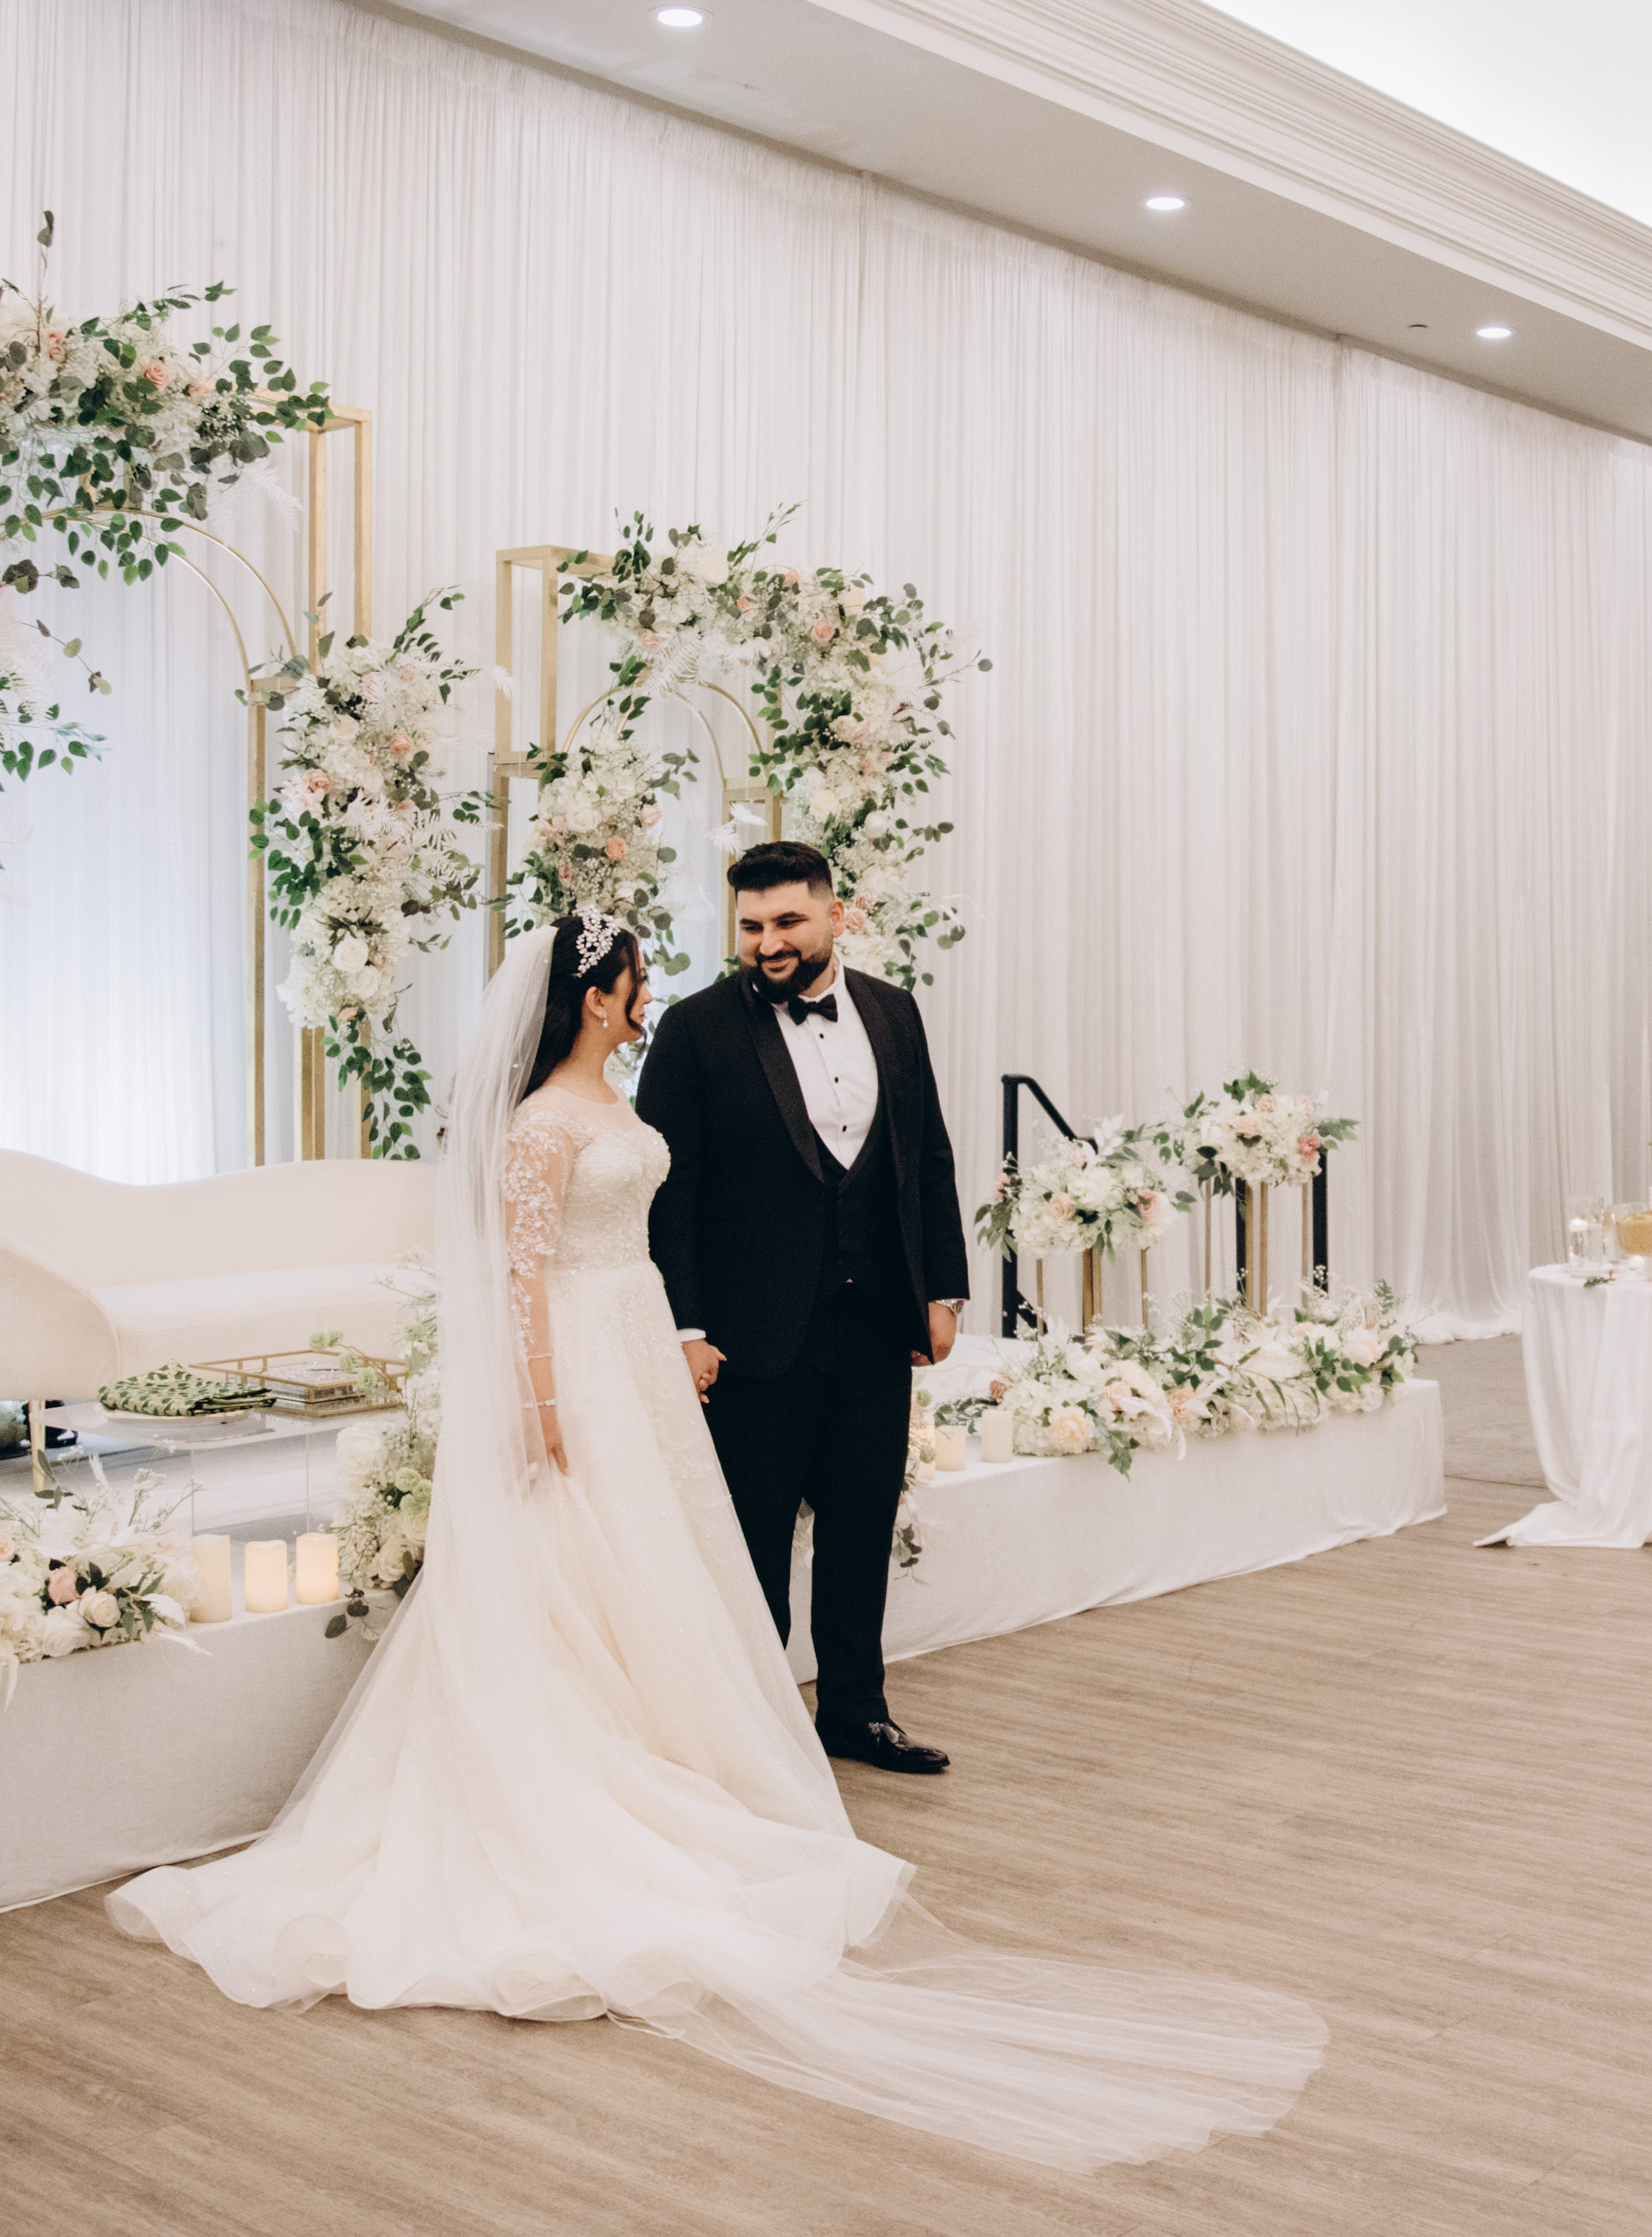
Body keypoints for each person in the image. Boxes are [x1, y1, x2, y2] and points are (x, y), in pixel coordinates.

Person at [111, 916, 1324, 2168]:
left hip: (632, 1343)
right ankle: (567, 1775)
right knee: (571, 1560)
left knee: (653, 1562)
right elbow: (517, 1274)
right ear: (595, 997)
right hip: (576, 1361)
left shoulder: (614, 1100)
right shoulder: (539, 1125)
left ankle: (669, 1752)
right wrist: (537, 1402)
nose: (648, 998)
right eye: (634, 983)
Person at [638, 840, 971, 1775]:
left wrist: (941, 1291)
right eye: (751, 926)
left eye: (787, 920)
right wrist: (686, 1328)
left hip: (876, 1321)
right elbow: (670, 1193)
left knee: (861, 1527)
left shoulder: (894, 1012)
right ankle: (752, 1725)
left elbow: (928, 1156)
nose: (768, 942)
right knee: (751, 1539)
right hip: (753, 1334)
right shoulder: (694, 1030)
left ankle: (856, 1714)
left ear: (834, 914)